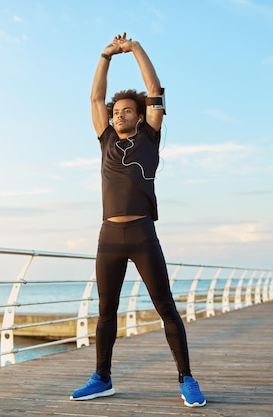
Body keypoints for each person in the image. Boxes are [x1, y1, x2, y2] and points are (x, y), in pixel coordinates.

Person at [69, 33, 206, 408]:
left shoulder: (150, 136)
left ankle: (187, 379)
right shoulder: (105, 139)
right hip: (109, 235)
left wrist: (134, 49)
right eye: (116, 112)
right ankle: (102, 378)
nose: (118, 114)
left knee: (165, 307)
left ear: (141, 114)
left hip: (143, 232)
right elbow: (96, 97)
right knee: (106, 311)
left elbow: (155, 88)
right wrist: (105, 55)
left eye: (126, 110)